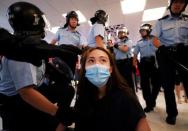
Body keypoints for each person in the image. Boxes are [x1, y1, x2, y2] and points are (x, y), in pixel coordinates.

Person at [0, 2, 75, 131]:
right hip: (14, 100)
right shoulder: (19, 53)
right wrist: (57, 112)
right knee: (50, 118)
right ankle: (58, 123)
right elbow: (26, 93)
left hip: (32, 88)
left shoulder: (28, 46)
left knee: (67, 91)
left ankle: (59, 123)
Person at [56, 47, 151, 131]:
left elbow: (142, 124)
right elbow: (69, 117)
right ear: (85, 69)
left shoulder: (125, 96)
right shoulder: (83, 95)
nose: (97, 65)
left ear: (110, 70)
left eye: (103, 60)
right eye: (91, 61)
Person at [151, 0, 188, 125]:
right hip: (166, 55)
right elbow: (154, 38)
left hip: (185, 54)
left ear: (184, 5)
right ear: (171, 4)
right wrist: (162, 48)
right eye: (175, 2)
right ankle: (172, 114)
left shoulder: (187, 19)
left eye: (181, 2)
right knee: (168, 86)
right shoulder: (161, 22)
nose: (178, 4)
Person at [133, 23, 161, 113]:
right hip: (144, 64)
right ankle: (149, 104)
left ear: (148, 31)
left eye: (143, 31)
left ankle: (152, 100)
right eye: (140, 31)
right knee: (144, 85)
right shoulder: (139, 43)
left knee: (156, 84)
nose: (141, 33)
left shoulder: (156, 40)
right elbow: (135, 55)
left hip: (155, 63)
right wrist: (135, 64)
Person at [113, 27, 135, 92]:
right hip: (118, 63)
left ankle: (131, 96)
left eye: (122, 32)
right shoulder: (117, 42)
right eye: (119, 33)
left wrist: (117, 46)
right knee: (119, 80)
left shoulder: (129, 41)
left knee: (128, 81)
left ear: (125, 33)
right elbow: (114, 54)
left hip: (126, 62)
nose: (120, 34)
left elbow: (124, 49)